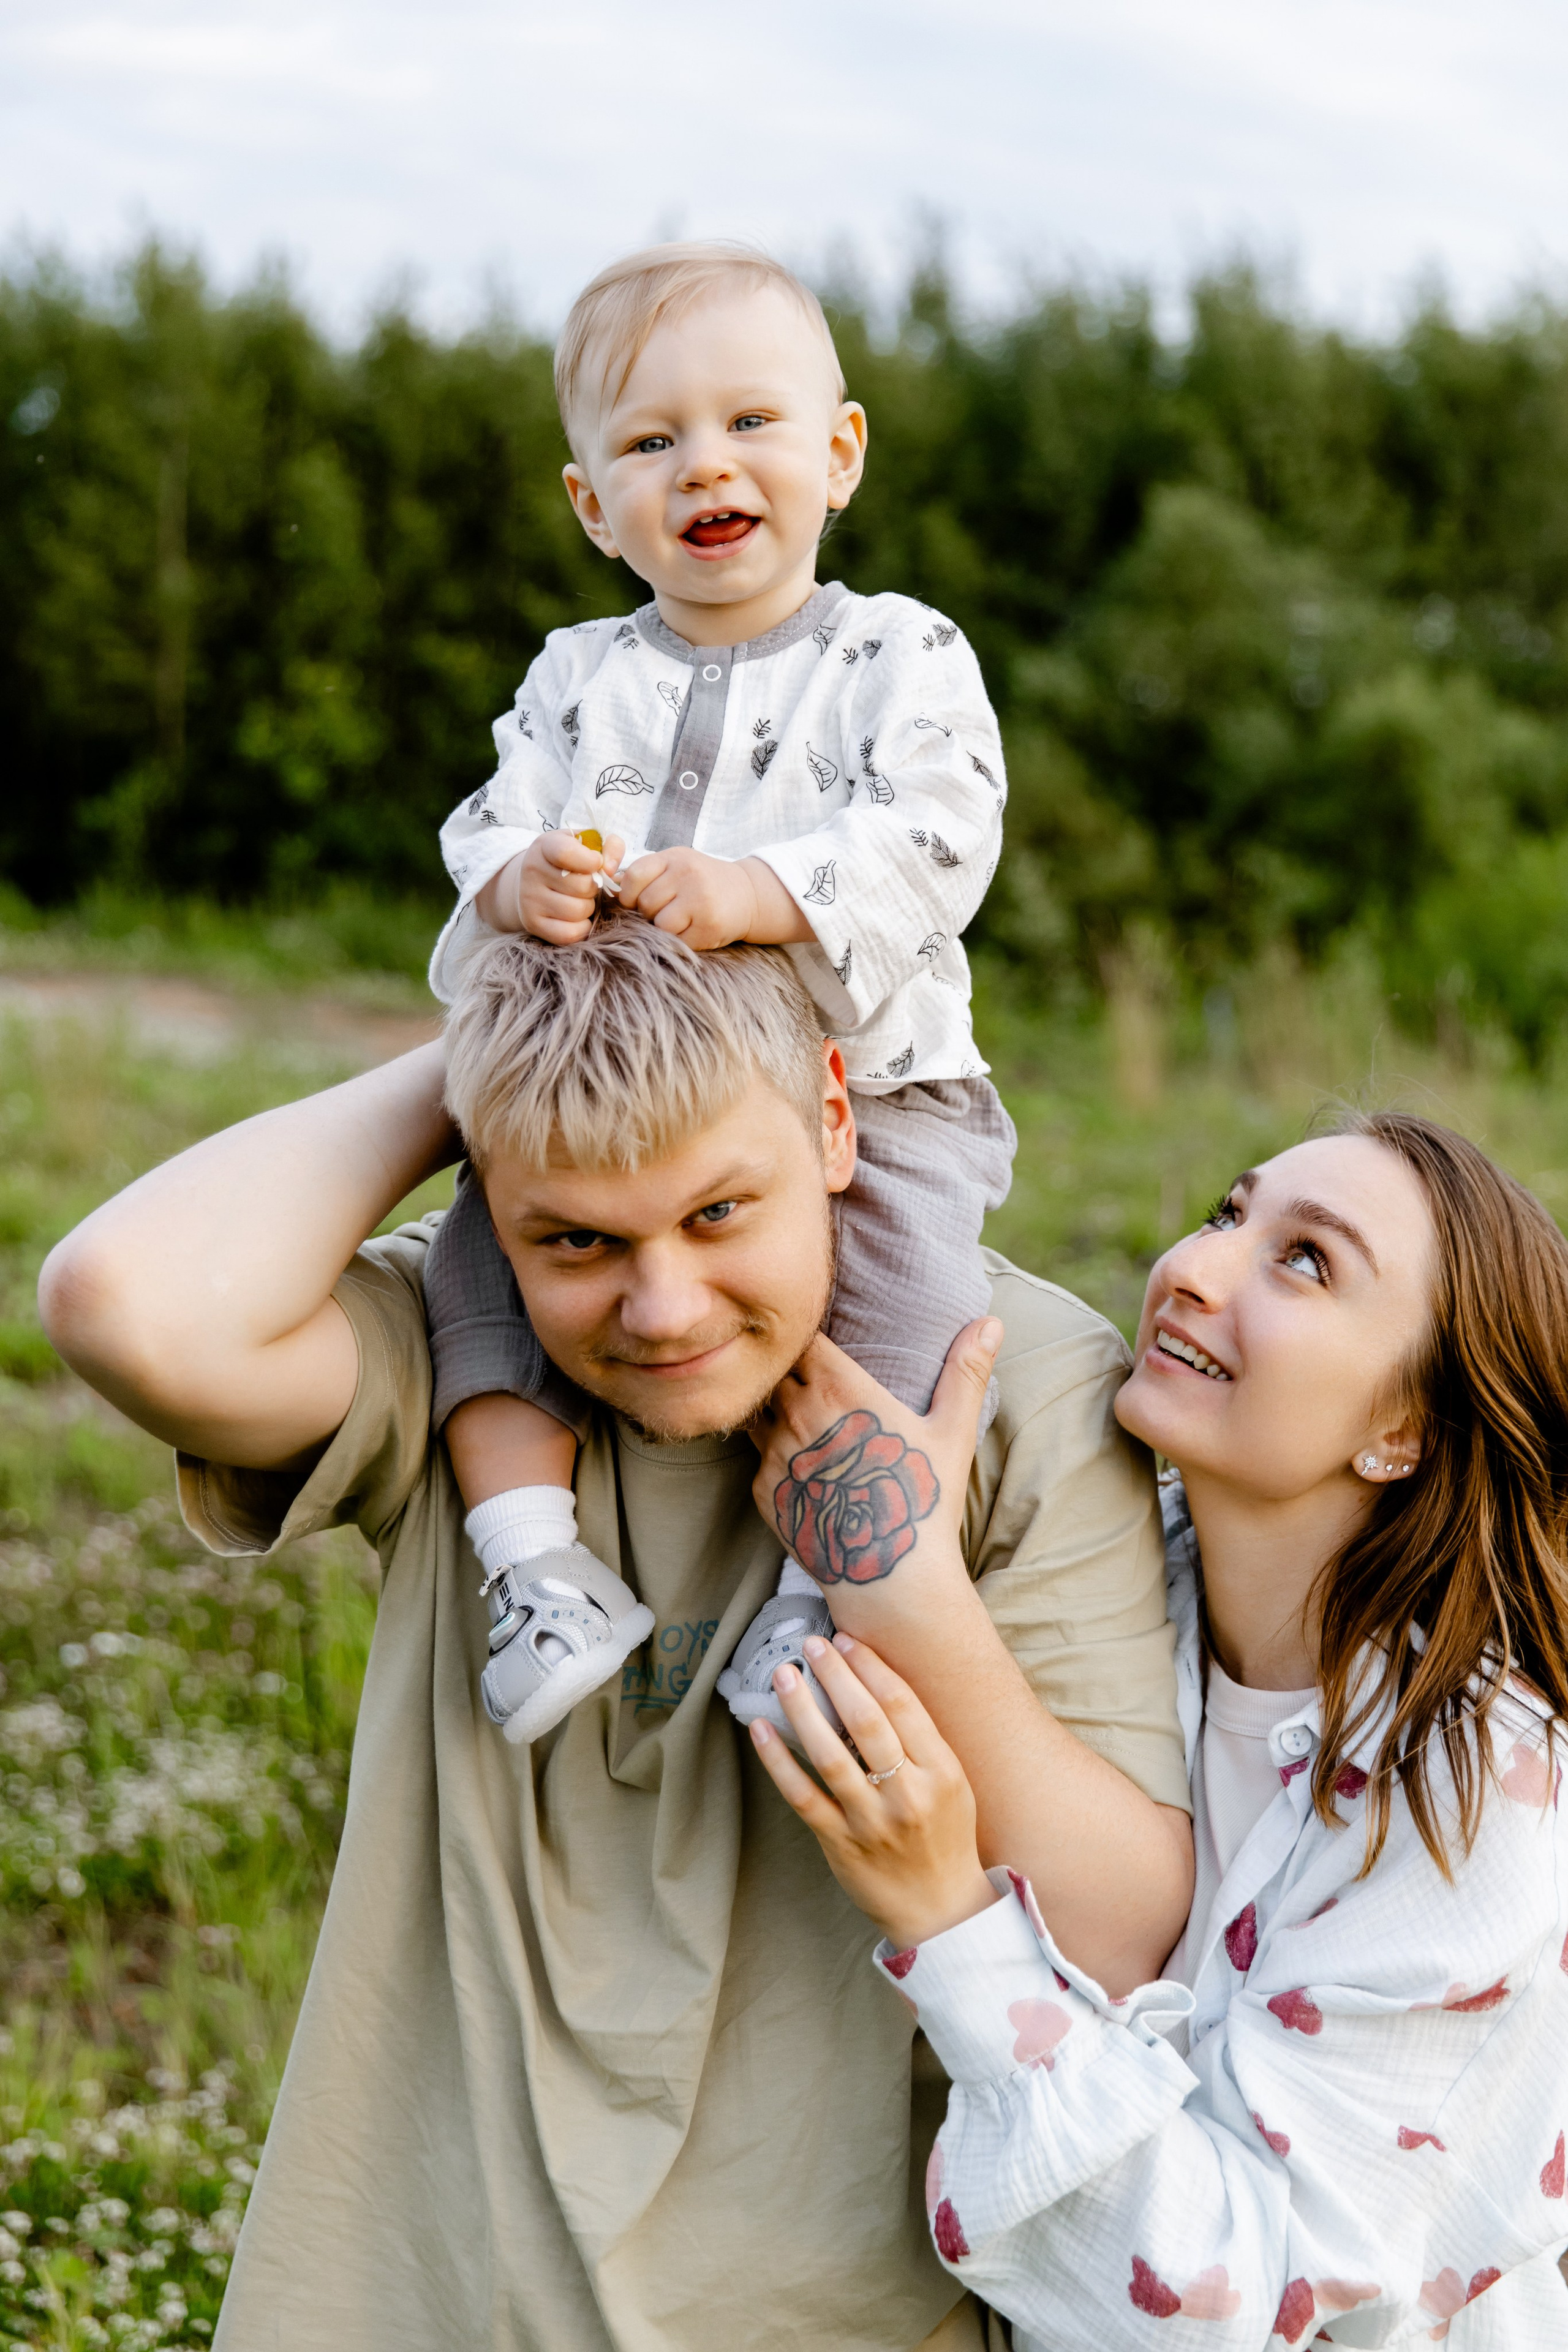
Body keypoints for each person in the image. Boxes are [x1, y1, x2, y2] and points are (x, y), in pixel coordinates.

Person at [39, 919, 1191, 2352]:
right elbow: (121, 1306)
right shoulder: (469, 1365)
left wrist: (897, 1581)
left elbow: (1128, 1931)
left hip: (831, 2319)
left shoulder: (1016, 1383)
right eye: (577, 1236)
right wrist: (489, 1059)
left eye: (718, 1215)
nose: (661, 1310)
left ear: (837, 1114)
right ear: (489, 1203)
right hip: (410, 2298)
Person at [752, 1113, 1568, 2348]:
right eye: (1228, 1215)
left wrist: (949, 1925)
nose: (1190, 1267)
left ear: (1400, 1428)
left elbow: (1232, 2306)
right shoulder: (1114, 1587)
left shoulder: (1474, 1790)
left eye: (1305, 1262)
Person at [422, 238, 1016, 1747]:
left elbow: (942, 830)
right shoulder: (574, 678)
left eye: (750, 422)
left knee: (908, 1303)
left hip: (871, 1084)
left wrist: (763, 894)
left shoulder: (895, 654)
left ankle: (828, 1599)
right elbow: (488, 820)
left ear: (838, 453)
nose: (706, 463)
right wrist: (517, 880)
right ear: (592, 506)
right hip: (598, 1105)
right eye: (649, 440)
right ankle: (534, 1567)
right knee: (478, 1279)